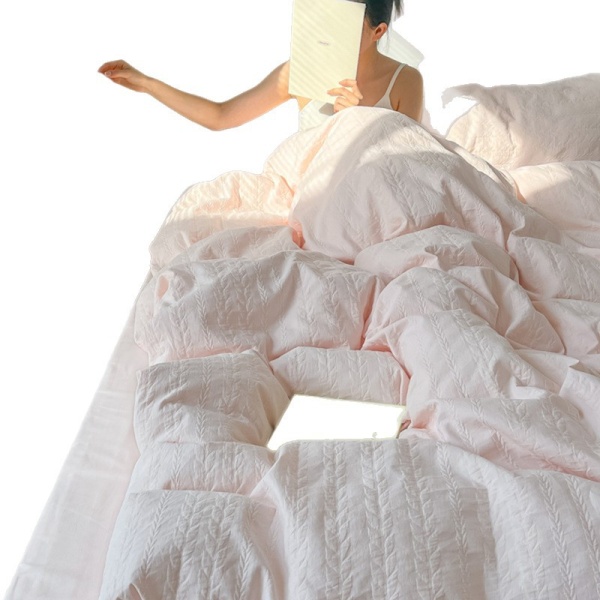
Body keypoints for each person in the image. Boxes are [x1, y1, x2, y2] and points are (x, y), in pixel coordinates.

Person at [98, 0, 423, 132]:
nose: (330, 32)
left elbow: (407, 166)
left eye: (345, 25)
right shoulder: (300, 70)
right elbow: (220, 116)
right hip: (314, 206)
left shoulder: (405, 81)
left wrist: (354, 121)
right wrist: (147, 84)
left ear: (378, 31)